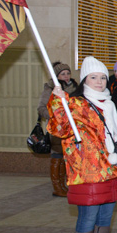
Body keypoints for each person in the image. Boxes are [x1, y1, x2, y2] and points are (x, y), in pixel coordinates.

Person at [47, 56, 117, 233]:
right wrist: (57, 101)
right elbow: (58, 127)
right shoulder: (75, 104)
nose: (99, 82)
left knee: (105, 217)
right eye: (93, 77)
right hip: (87, 171)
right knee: (88, 218)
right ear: (84, 80)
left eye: (102, 77)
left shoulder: (108, 104)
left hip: (111, 169)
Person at [38, 61, 77, 197]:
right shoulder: (50, 88)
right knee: (57, 155)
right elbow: (41, 107)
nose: (66, 76)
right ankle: (57, 186)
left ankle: (64, 185)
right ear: (56, 76)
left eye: (68, 73)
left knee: (66, 156)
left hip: (72, 127)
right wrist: (56, 117)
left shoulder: (75, 87)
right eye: (62, 74)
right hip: (57, 128)